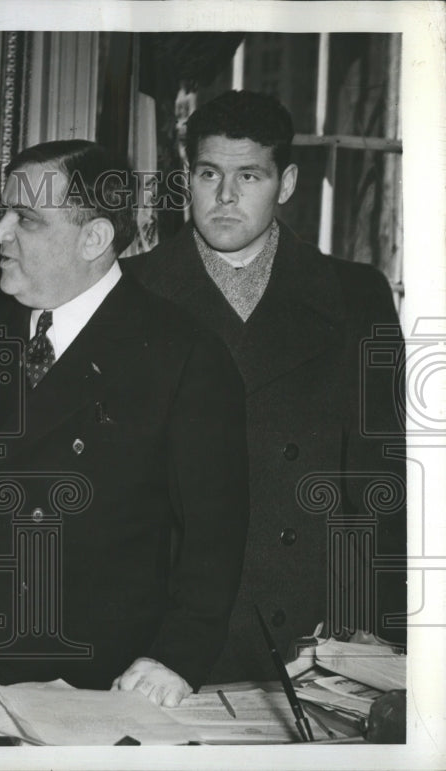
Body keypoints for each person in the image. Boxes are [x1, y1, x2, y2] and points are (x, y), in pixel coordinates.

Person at [0, 140, 250, 707]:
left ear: (94, 238)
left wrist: (176, 657)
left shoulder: (182, 355)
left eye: (24, 219)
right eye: (6, 213)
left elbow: (214, 537)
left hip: (90, 683)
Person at [123, 90, 407, 683]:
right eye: (209, 174)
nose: (224, 197)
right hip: (164, 634)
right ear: (188, 178)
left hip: (310, 632)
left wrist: (377, 634)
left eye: (248, 175)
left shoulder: (356, 296)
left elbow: (381, 479)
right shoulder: (130, 293)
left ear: (287, 182)